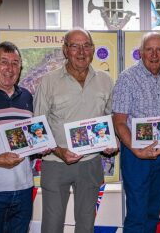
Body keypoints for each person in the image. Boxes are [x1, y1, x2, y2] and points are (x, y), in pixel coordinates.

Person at [33, 27, 116, 233]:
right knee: (52, 226)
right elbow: (37, 127)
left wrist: (110, 142)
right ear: (65, 50)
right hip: (55, 163)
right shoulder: (48, 81)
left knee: (86, 226)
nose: (81, 51)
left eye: (86, 45)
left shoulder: (105, 81)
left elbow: (111, 120)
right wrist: (58, 151)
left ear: (93, 49)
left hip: (90, 164)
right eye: (74, 46)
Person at [112, 32, 160, 233]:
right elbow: (119, 121)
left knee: (153, 212)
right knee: (136, 214)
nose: (154, 54)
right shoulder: (127, 78)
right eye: (149, 49)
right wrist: (136, 149)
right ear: (141, 53)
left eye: (158, 49)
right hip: (137, 156)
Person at [0, 41, 33, 233]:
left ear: (20, 68)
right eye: (4, 62)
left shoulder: (27, 97)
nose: (9, 68)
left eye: (15, 63)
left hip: (24, 188)